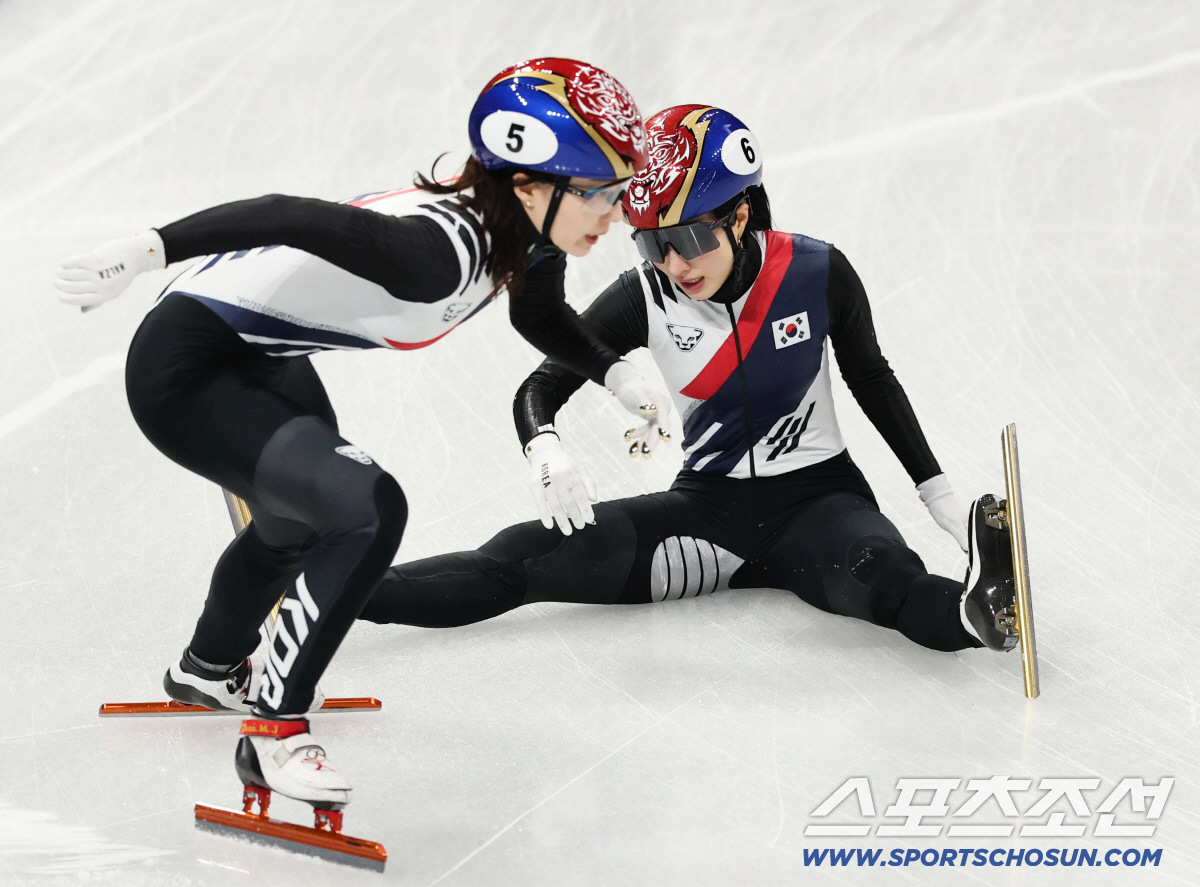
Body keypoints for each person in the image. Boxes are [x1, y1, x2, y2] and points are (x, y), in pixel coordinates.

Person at [52, 58, 668, 814]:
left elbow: (534, 313)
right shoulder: (436, 251)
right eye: (601, 194)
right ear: (530, 186)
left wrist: (612, 373)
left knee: (301, 525)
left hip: (260, 356)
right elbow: (286, 212)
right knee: (367, 507)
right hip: (186, 367)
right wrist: (149, 247)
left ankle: (207, 669)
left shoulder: (526, 231)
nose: (614, 214)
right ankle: (272, 733)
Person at [360, 104, 1019, 662]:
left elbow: (871, 376)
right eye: (651, 244)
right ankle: (323, 592)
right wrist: (546, 447)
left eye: (686, 238)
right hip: (707, 518)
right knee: (517, 560)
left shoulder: (817, 272)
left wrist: (937, 492)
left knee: (891, 582)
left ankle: (977, 613)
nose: (672, 263)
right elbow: (539, 389)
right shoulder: (642, 295)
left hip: (822, 508)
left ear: (737, 216)